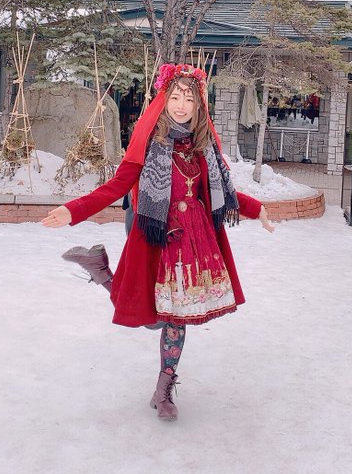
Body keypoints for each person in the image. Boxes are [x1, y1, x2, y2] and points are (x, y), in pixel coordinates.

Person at [42, 63, 274, 421]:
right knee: (151, 318)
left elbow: (222, 192)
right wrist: (73, 210)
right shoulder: (150, 144)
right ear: (164, 100)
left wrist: (257, 209)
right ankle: (103, 274)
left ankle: (163, 390)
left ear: (199, 105)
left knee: (176, 319)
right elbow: (116, 186)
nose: (181, 105)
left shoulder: (203, 147)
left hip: (193, 244)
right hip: (158, 238)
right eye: (175, 97)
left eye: (189, 99)